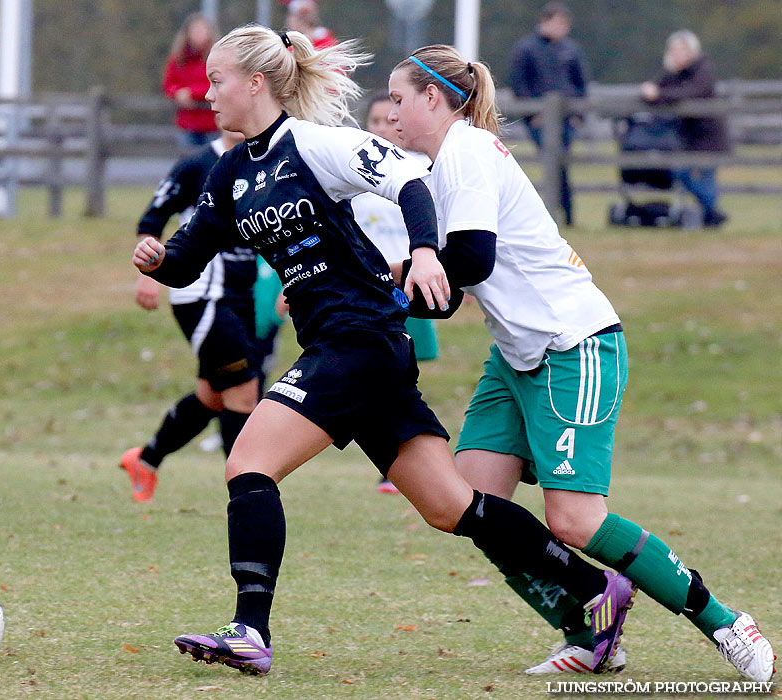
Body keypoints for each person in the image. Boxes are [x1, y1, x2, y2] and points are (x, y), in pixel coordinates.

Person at [134, 24, 637, 677]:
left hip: (360, 339)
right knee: (450, 507)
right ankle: (597, 589)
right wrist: (157, 260)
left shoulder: (317, 147)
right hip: (348, 348)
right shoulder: (231, 173)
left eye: (217, 81)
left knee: (249, 463)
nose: (208, 95)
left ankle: (249, 631)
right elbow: (186, 256)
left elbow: (408, 179)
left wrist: (426, 252)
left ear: (256, 82)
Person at [387, 44, 775, 681]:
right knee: (469, 503)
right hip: (517, 358)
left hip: (576, 346)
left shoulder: (468, 152)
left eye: (399, 100)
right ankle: (590, 631)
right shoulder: (441, 167)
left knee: (574, 520)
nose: (392, 115)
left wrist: (395, 278)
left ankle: (727, 622)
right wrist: (375, 294)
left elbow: (472, 261)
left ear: (433, 98)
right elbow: (449, 293)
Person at [120, 129, 261, 503]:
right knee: (244, 391)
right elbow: (152, 218)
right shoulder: (196, 164)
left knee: (213, 396)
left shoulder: (265, 156)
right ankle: (247, 496)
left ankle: (145, 461)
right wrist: (147, 272)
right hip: (203, 294)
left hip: (242, 294)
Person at [351, 91, 440, 495]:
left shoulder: (419, 171)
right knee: (371, 370)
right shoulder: (353, 170)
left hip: (406, 284)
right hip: (364, 289)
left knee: (404, 370)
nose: (383, 128)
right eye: (374, 121)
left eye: (390, 120)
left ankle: (407, 464)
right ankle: (396, 459)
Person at [509, 2, 588, 227]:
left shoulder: (571, 50)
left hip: (566, 119)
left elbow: (581, 84)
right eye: (559, 22)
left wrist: (578, 114)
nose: (563, 28)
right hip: (539, 120)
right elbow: (519, 83)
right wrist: (533, 113)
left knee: (560, 164)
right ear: (546, 21)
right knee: (554, 164)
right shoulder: (526, 49)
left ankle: (564, 214)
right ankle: (561, 213)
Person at [641, 30, 729, 227]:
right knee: (683, 173)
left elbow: (692, 92)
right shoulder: (673, 72)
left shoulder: (704, 69)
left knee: (702, 176)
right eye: (673, 51)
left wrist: (659, 93)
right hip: (687, 137)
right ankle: (712, 214)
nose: (677, 55)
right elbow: (652, 91)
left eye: (681, 50)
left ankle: (711, 215)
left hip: (708, 137)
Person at [163, 13, 220, 146]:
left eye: (202, 30)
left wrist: (191, 93)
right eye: (195, 30)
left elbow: (219, 84)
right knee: (188, 163)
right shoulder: (178, 58)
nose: (198, 34)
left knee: (212, 164)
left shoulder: (217, 57)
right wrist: (177, 93)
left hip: (212, 125)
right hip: (187, 124)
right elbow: (168, 84)